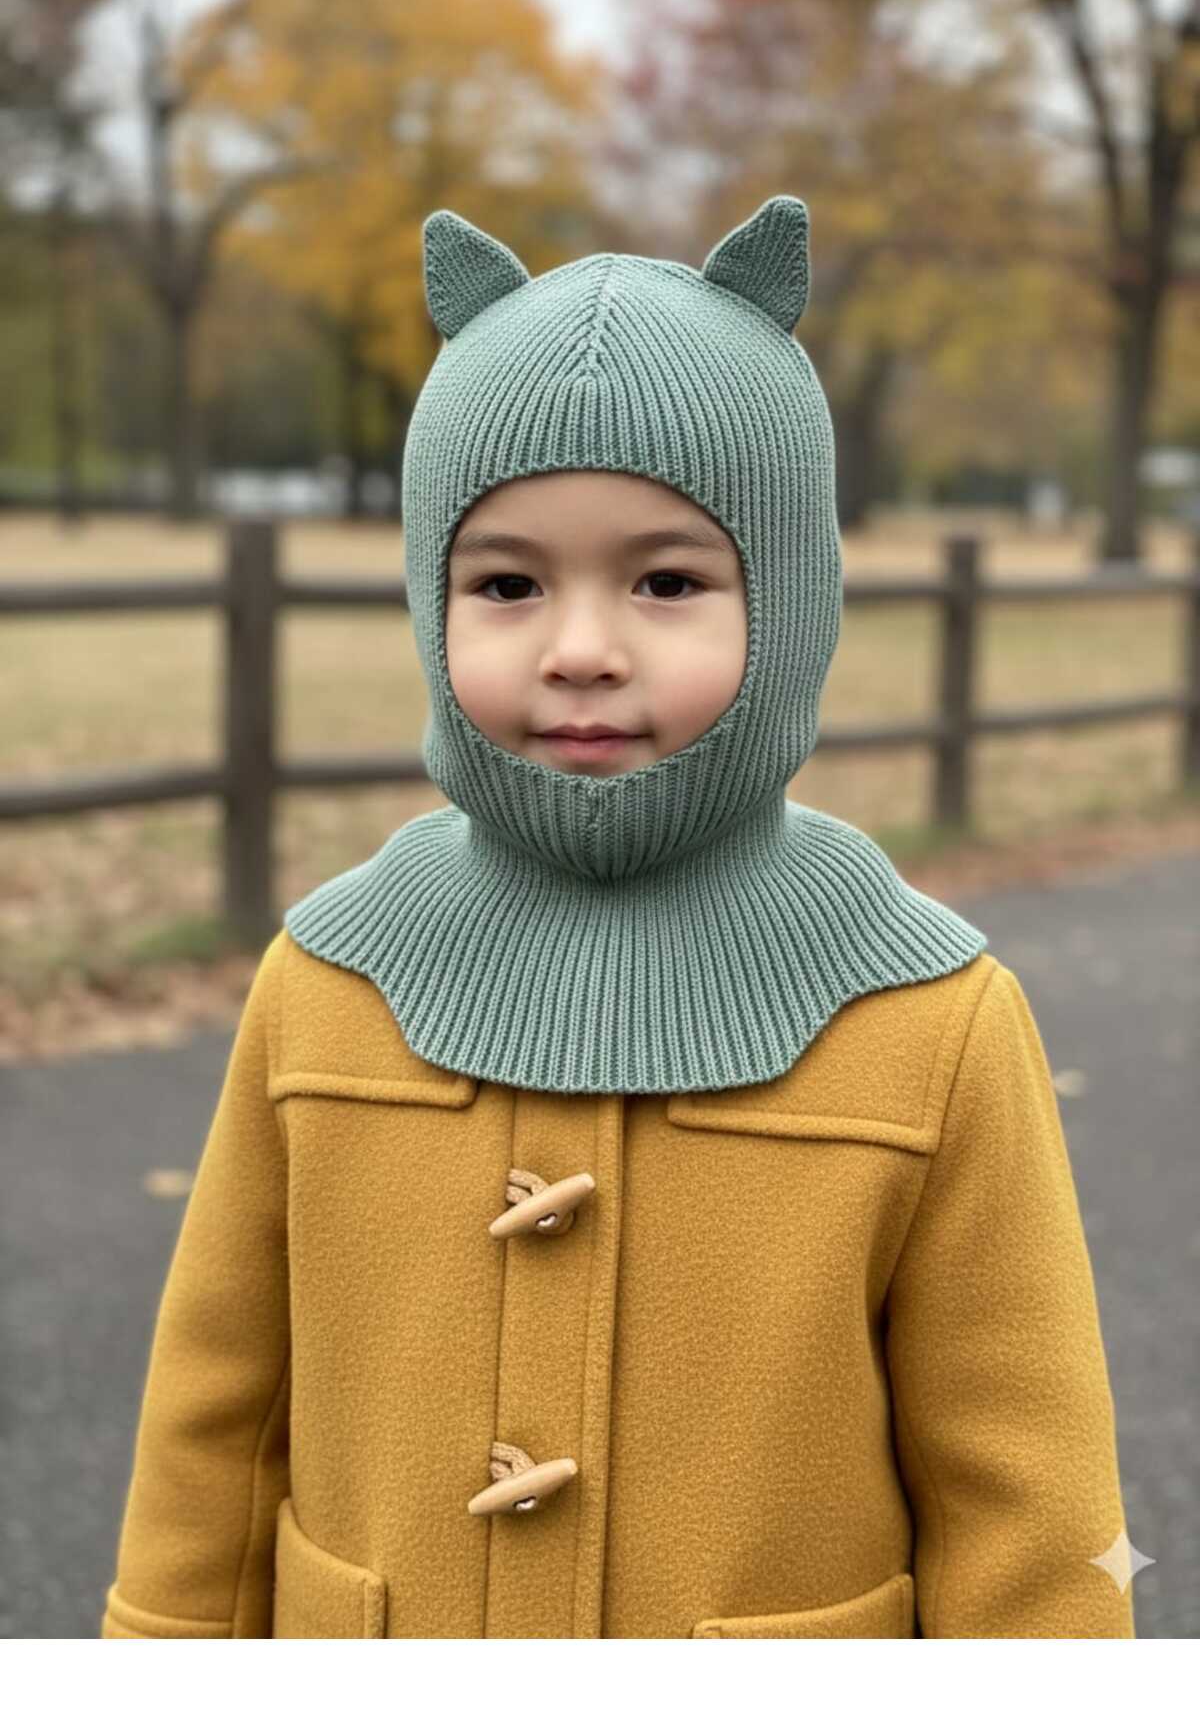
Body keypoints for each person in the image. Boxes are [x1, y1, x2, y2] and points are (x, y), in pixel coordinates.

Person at [101, 195, 1135, 1639]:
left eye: (668, 580)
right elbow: (215, 1428)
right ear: (426, 601)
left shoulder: (926, 1020)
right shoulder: (327, 981)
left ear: (790, 603)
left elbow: (1027, 1509)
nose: (583, 649)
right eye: (507, 583)